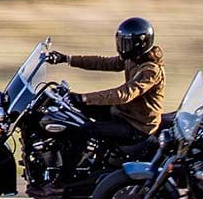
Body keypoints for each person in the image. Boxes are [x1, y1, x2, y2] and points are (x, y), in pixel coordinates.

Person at [42, 17, 165, 177]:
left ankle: (61, 181)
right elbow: (103, 63)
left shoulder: (151, 71)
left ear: (139, 44)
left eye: (126, 43)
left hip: (138, 126)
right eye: (121, 42)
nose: (122, 47)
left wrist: (84, 98)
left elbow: (124, 94)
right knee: (71, 110)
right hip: (124, 113)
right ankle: (72, 158)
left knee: (84, 130)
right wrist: (66, 59)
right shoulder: (133, 59)